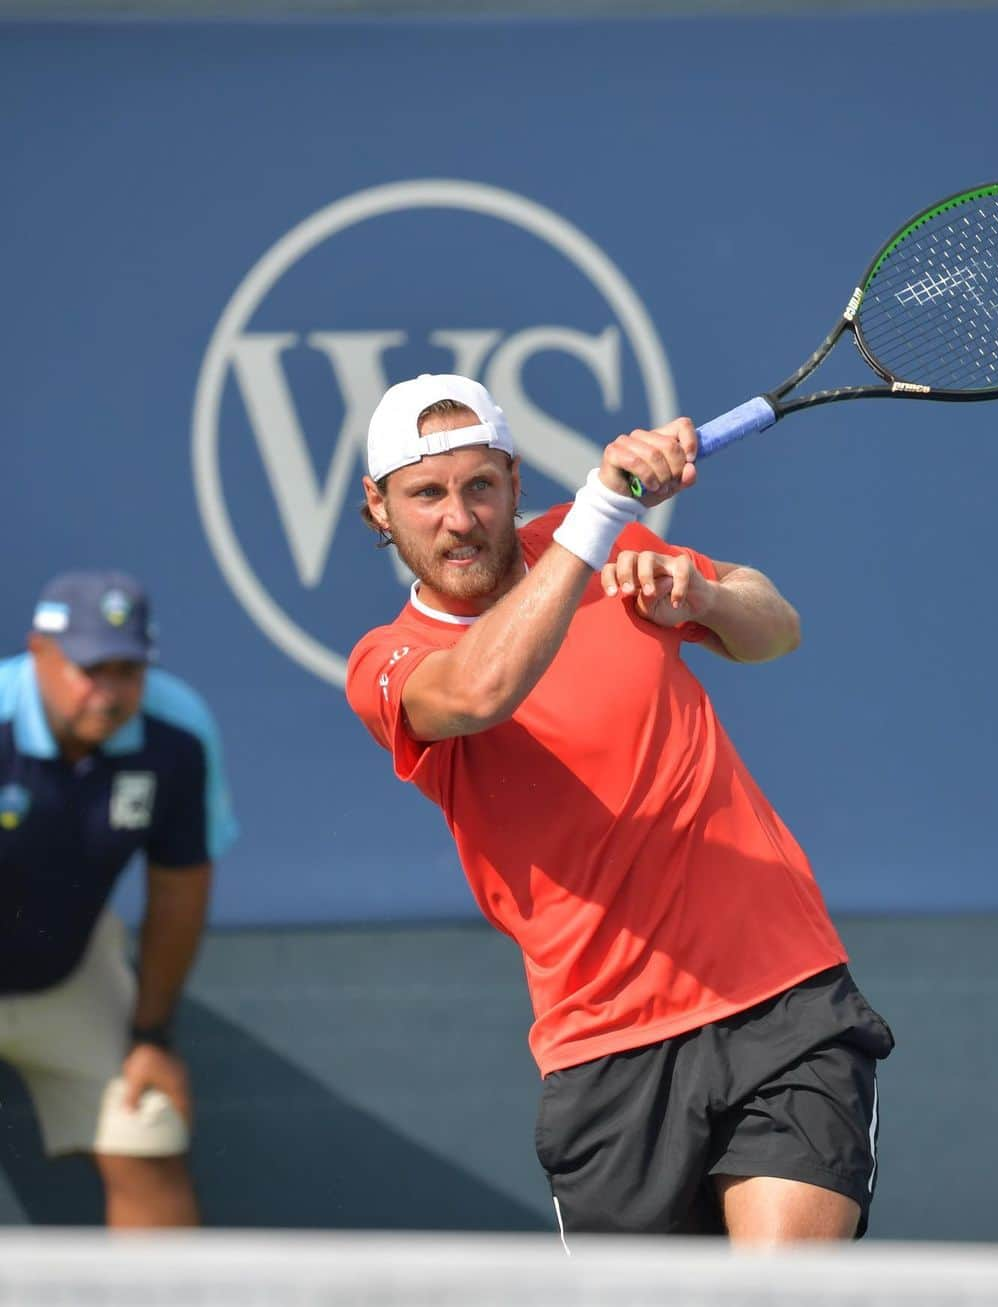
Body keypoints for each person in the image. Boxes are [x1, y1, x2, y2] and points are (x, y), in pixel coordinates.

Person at [346, 374, 894, 1245]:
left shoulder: (594, 541)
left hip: (779, 998)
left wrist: (705, 597)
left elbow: (776, 625)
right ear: (379, 508)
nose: (459, 517)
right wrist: (597, 515)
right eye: (426, 495)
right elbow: (482, 687)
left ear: (515, 483)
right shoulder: (388, 660)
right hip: (605, 1052)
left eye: (480, 485)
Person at [0, 571, 237, 1227]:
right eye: (87, 667)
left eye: (126, 669)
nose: (107, 691)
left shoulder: (176, 732)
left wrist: (152, 1033)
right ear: (38, 654)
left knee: (149, 1130)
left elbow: (180, 886)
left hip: (70, 970)